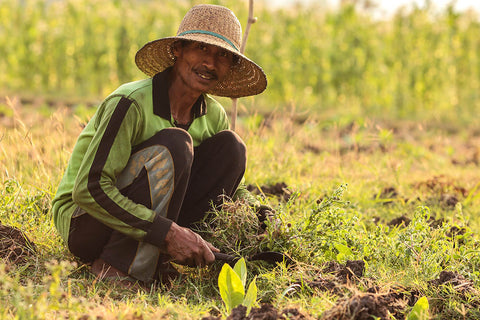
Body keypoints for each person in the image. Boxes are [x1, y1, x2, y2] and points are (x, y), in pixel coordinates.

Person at [51, 4, 268, 285]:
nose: (210, 64)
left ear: (230, 68)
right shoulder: (130, 102)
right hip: (87, 224)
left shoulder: (213, 115)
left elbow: (229, 189)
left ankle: (158, 257)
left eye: (223, 56)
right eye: (202, 49)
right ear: (178, 49)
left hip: (151, 223)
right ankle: (114, 267)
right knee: (176, 144)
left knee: (232, 148)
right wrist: (167, 233)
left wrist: (260, 212)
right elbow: (88, 189)